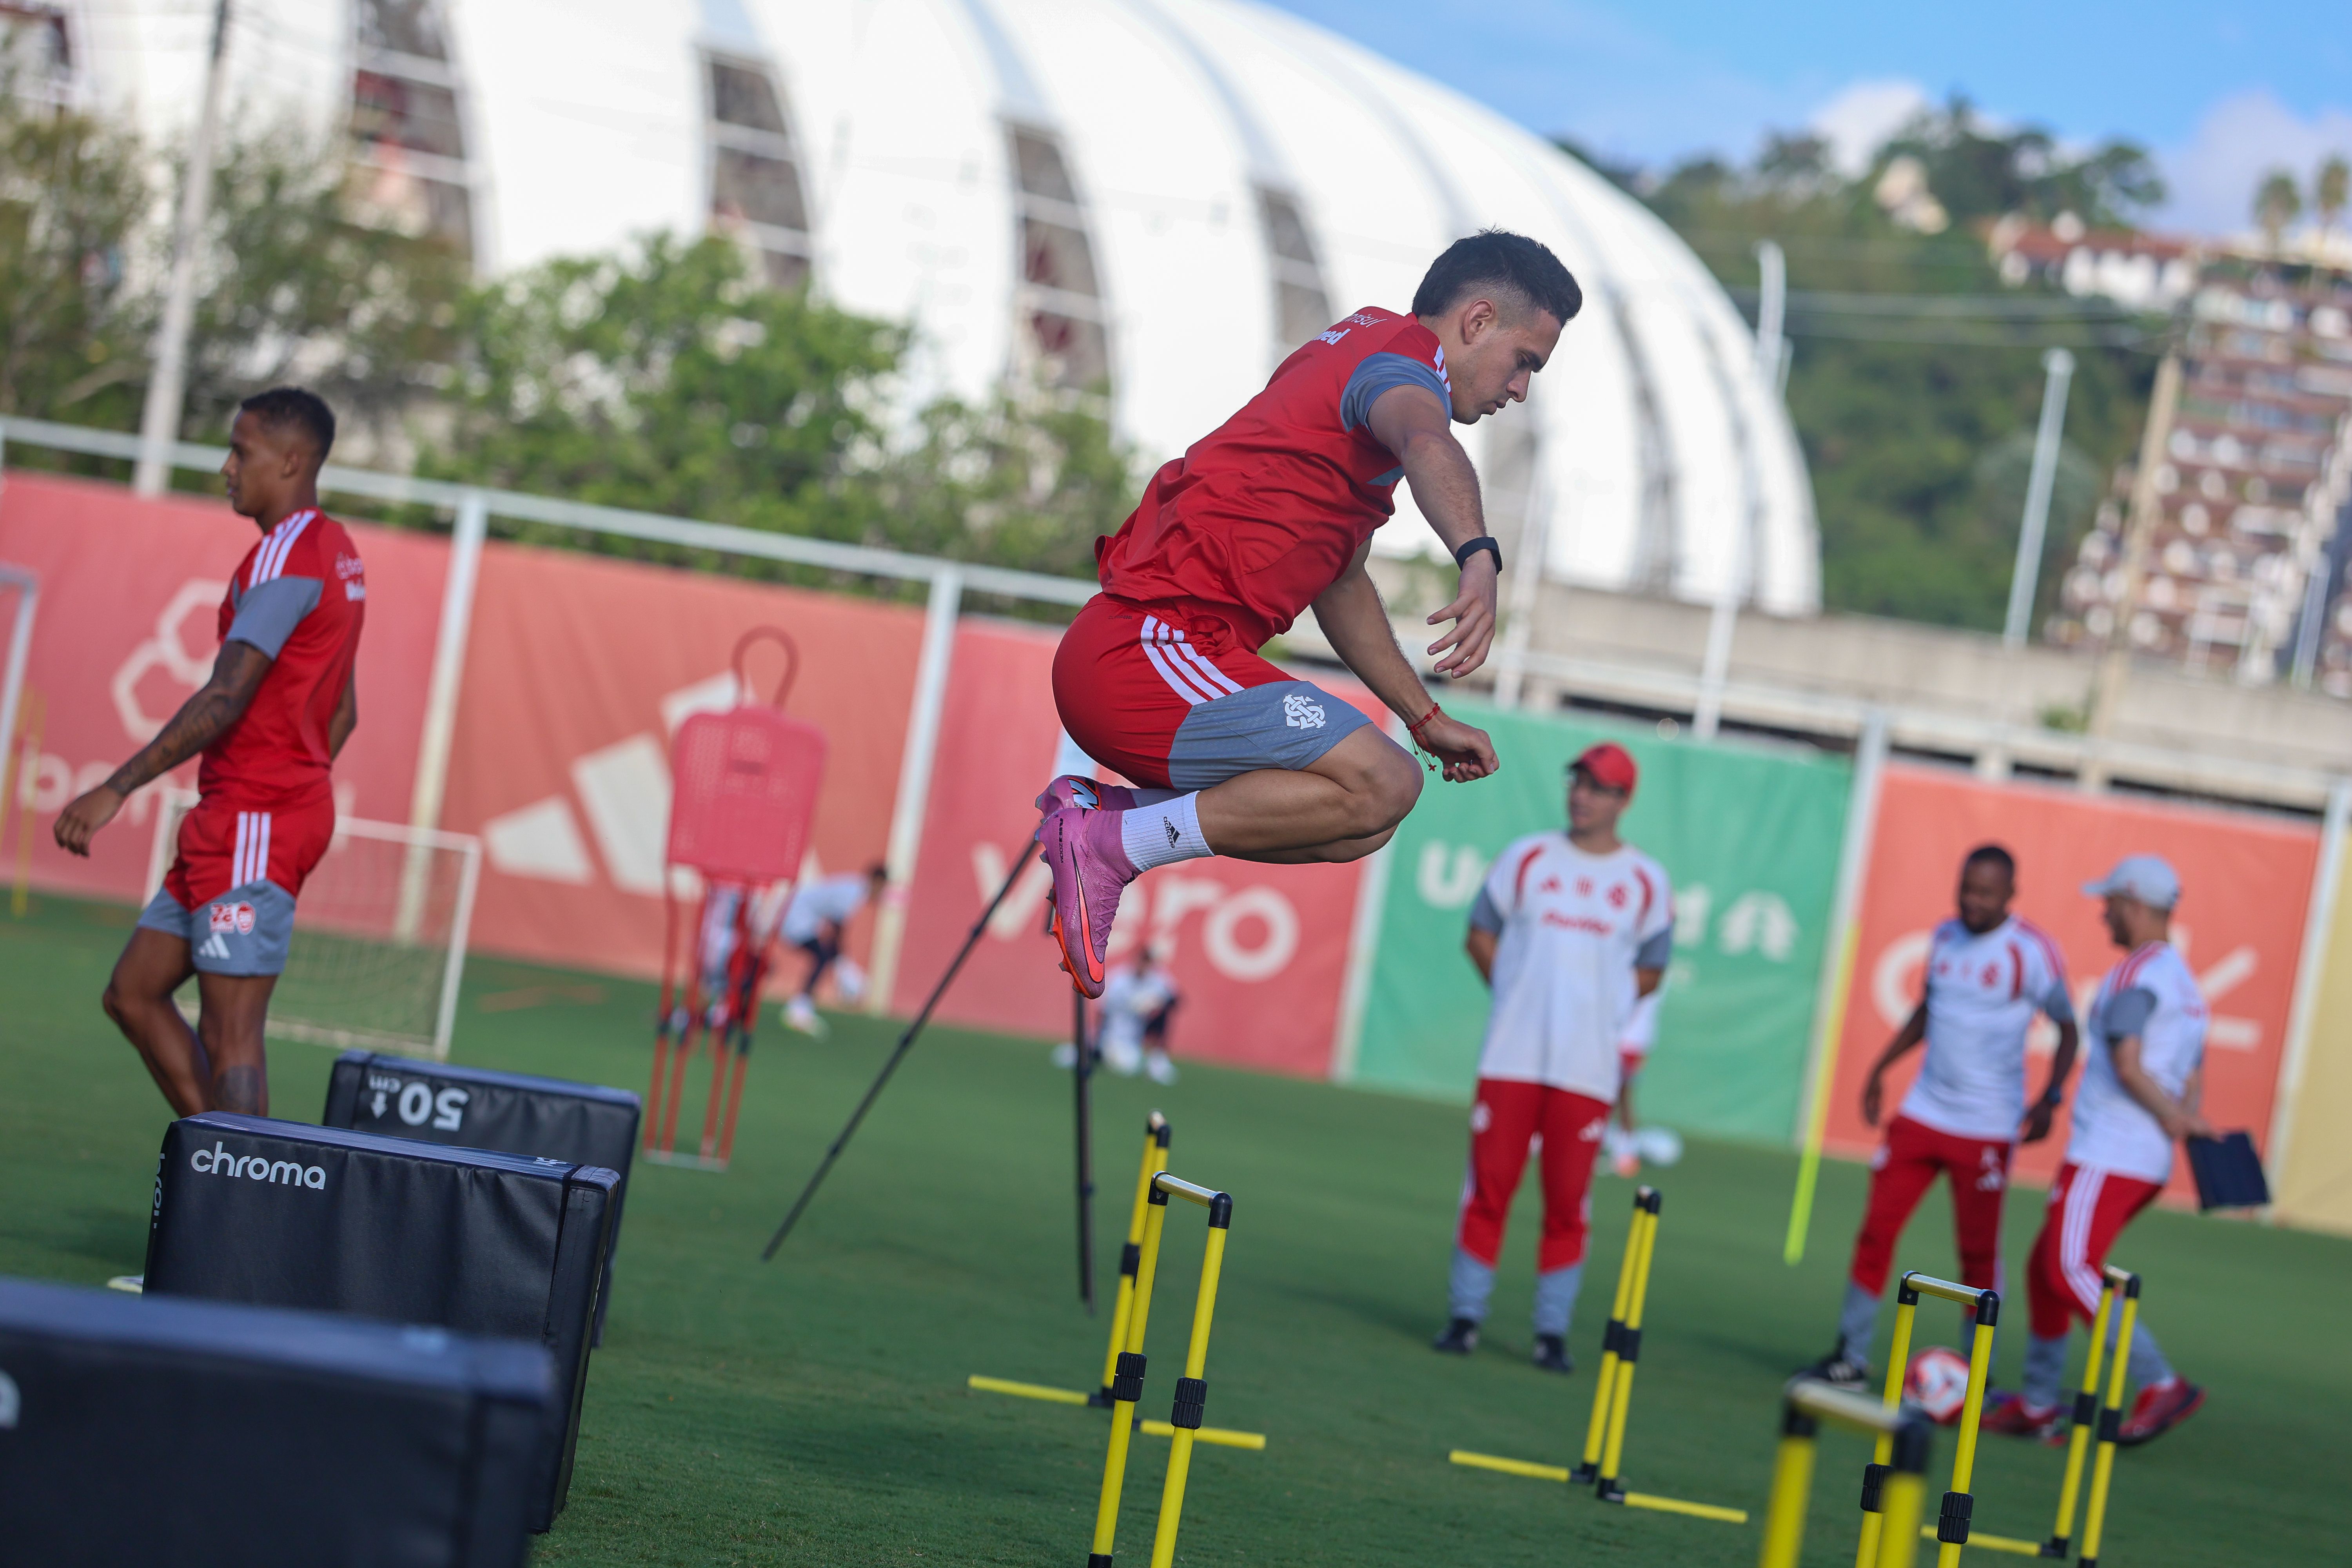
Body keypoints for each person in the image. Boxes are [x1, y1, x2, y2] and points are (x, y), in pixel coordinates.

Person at [1033, 231, 1585, 996]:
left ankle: (1108, 818)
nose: (1521, 389)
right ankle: (1108, 839)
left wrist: (1423, 717)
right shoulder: (1399, 365)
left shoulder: (1361, 364)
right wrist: (1480, 555)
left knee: (1365, 814)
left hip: (1169, 650)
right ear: (1477, 320)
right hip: (1145, 644)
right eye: (1526, 361)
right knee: (1380, 783)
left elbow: (1343, 582)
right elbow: (1426, 438)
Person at [55, 388, 361, 1118]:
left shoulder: (289, 557)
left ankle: (250, 1217)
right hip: (239, 815)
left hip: (258, 817)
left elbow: (226, 696)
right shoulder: (334, 548)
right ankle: (221, 1171)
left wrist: (117, 788)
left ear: (291, 460)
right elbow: (344, 713)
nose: (226, 466)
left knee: (231, 1033)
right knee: (132, 994)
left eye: (241, 451)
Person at [1803, 845, 2080, 1390]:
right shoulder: (1946, 937)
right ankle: (1850, 1358)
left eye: (1985, 893)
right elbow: (1929, 1011)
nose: (1972, 901)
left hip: (1986, 1127)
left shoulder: (2032, 951)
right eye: (1966, 889)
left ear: (2009, 895)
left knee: (1977, 1254)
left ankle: (1978, 1373)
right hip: (1922, 1114)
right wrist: (1882, 1067)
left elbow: (2069, 1027)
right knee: (1875, 1232)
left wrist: (2050, 1098)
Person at [1433, 742, 1671, 1372]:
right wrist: (1514, 992)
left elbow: (1653, 968)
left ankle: (1551, 1333)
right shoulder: (1529, 857)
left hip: (1586, 1070)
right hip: (1512, 1056)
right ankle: (1464, 1318)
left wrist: (1603, 1010)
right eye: (1577, 783)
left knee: (1569, 1204)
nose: (1581, 796)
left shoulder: (1645, 880)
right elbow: (1479, 934)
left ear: (1623, 800)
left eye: (1597, 788)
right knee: (1488, 1191)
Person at [1982, 855, 2207, 1446]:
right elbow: (2191, 1071)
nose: (2103, 911)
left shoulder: (2137, 975)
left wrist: (2174, 1119)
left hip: (2112, 1149)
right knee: (2045, 1267)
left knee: (2065, 1266)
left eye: (2109, 902)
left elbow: (2130, 1066)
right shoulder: (2184, 982)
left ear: (2133, 905)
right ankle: (2036, 1402)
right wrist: (2183, 1116)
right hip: (2141, 1158)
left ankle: (2158, 1380)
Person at [779, 864, 886, 1035]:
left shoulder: (855, 888)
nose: (882, 893)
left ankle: (801, 1007)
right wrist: (845, 969)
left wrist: (842, 965)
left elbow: (834, 934)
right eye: (883, 887)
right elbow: (838, 930)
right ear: (877, 881)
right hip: (796, 915)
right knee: (822, 957)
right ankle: (799, 1009)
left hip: (802, 915)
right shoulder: (854, 892)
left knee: (823, 956)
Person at [1097, 945, 1180, 1085]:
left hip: (1136, 1038)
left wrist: (1155, 1002)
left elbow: (1176, 1000)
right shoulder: (1119, 979)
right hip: (1114, 1037)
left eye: (1148, 962)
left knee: (1163, 1012)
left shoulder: (1156, 980)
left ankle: (1157, 1058)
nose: (1144, 965)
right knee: (1127, 1065)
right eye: (1143, 960)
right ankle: (1095, 1052)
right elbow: (1103, 1012)